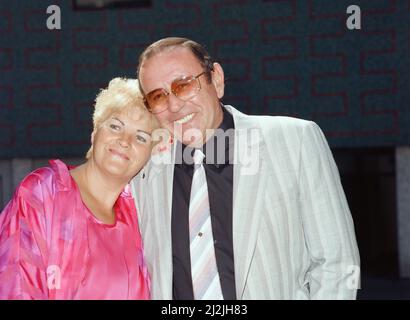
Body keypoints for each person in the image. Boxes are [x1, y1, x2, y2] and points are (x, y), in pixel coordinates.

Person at [131, 37, 360, 300]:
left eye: (183, 86)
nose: (173, 106)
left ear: (216, 79)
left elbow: (337, 264)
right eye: (158, 96)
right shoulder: (145, 170)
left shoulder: (295, 141)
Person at [0, 78, 153, 299]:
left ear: (151, 154)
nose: (124, 140)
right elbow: (15, 287)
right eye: (115, 126)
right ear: (94, 133)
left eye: (140, 137)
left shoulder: (139, 217)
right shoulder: (44, 192)